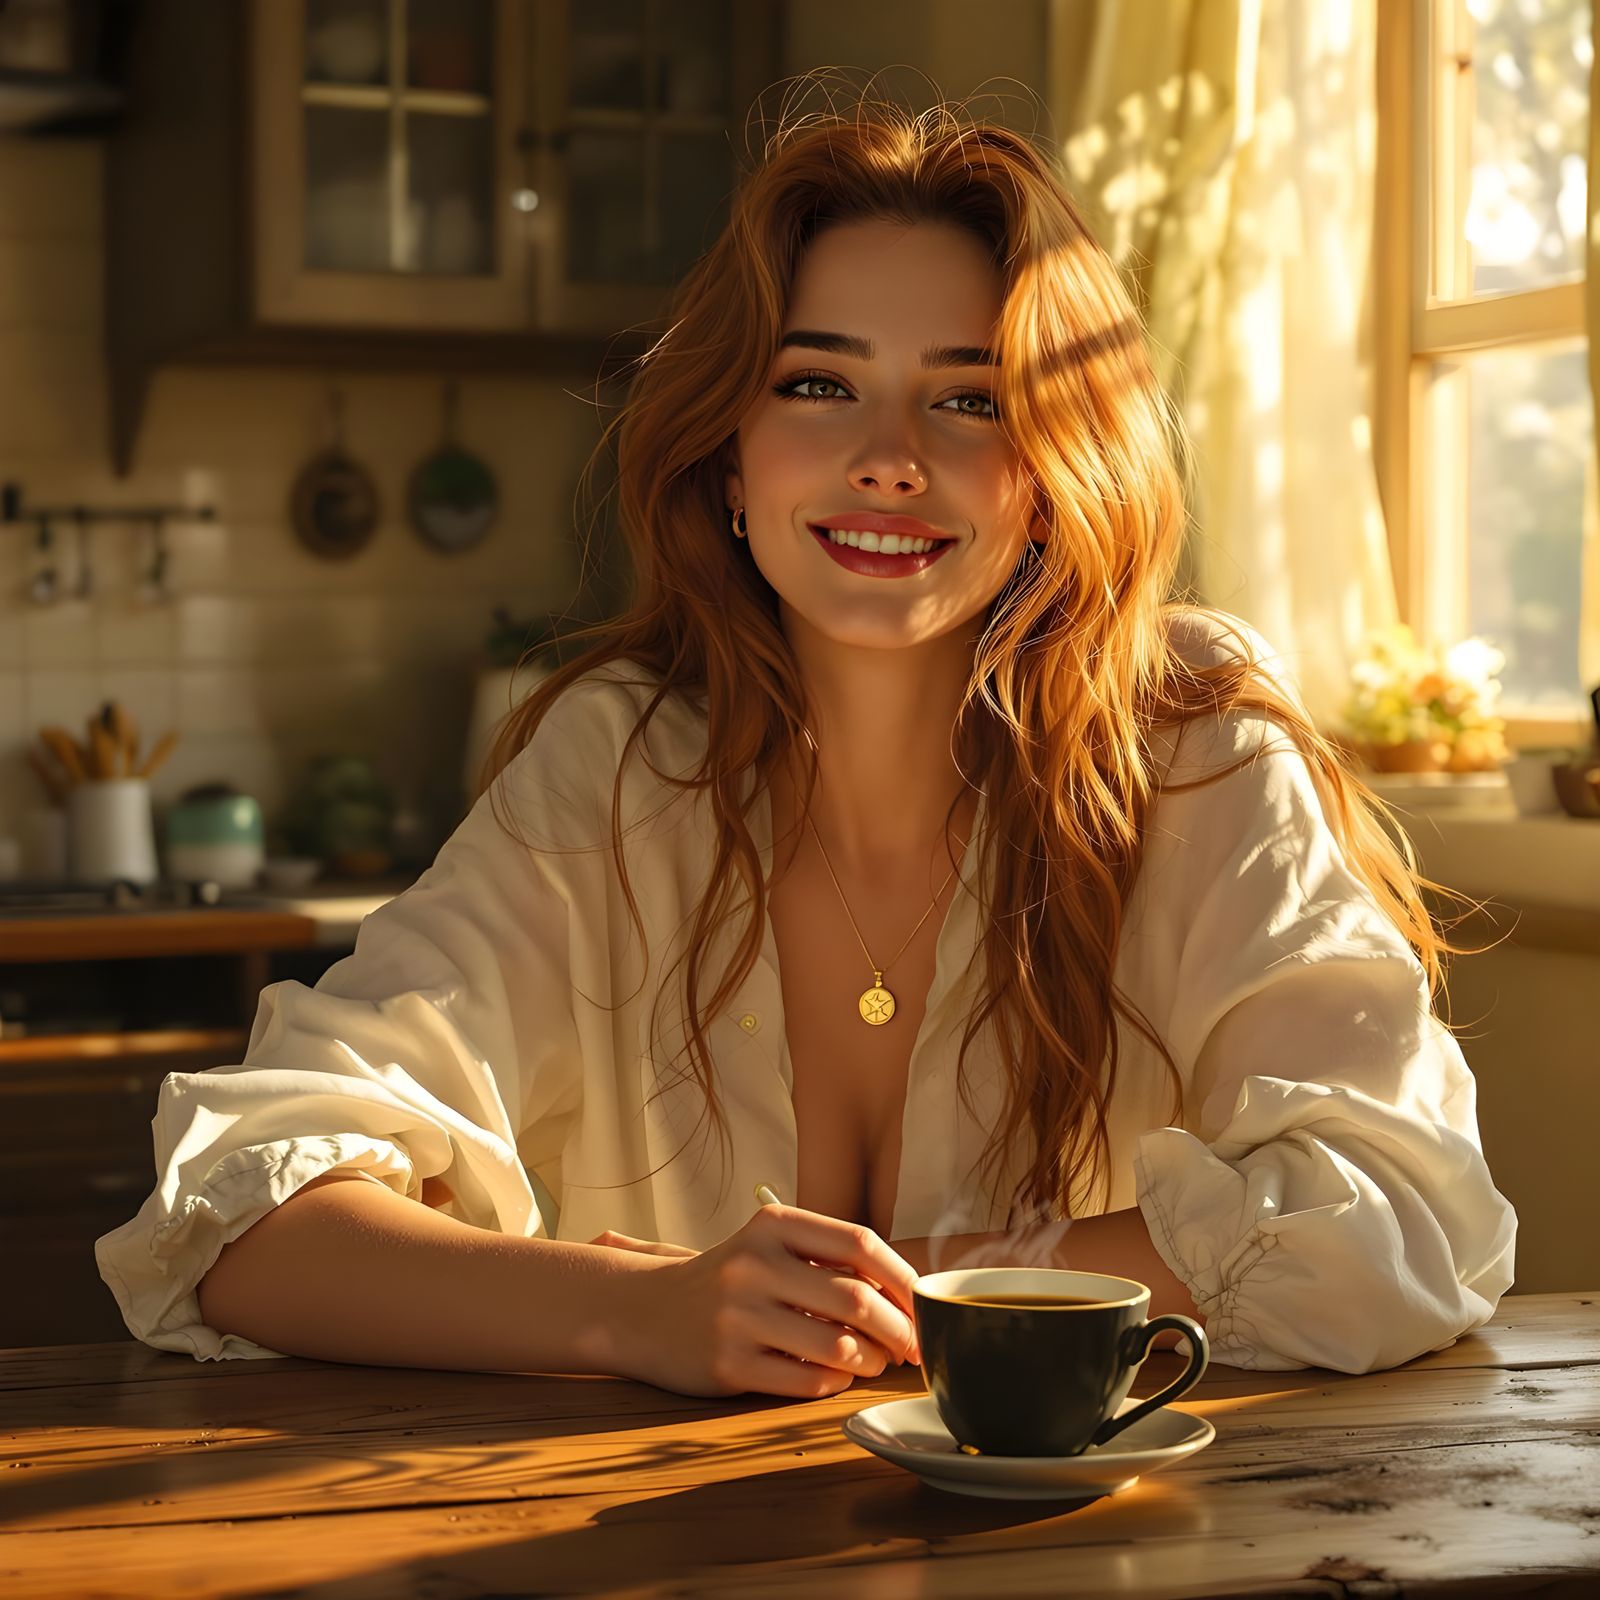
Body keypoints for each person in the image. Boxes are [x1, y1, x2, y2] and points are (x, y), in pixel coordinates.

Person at [96, 92, 1516, 1399]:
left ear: (1051, 473)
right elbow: (238, 1212)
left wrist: (931, 1302)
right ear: (729, 457)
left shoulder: (1192, 747)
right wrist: (632, 1313)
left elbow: (1408, 1209)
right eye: (819, 385)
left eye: (969, 397)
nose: (888, 456)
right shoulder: (618, 768)